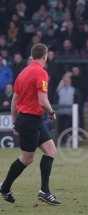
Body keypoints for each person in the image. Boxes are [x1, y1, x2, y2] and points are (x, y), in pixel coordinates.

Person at [0, 43, 60, 205]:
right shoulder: (41, 73)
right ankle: (5, 187)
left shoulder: (23, 73)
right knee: (27, 159)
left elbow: (14, 100)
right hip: (30, 120)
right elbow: (42, 100)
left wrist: (14, 121)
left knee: (50, 150)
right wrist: (51, 111)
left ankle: (44, 191)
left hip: (28, 119)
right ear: (45, 56)